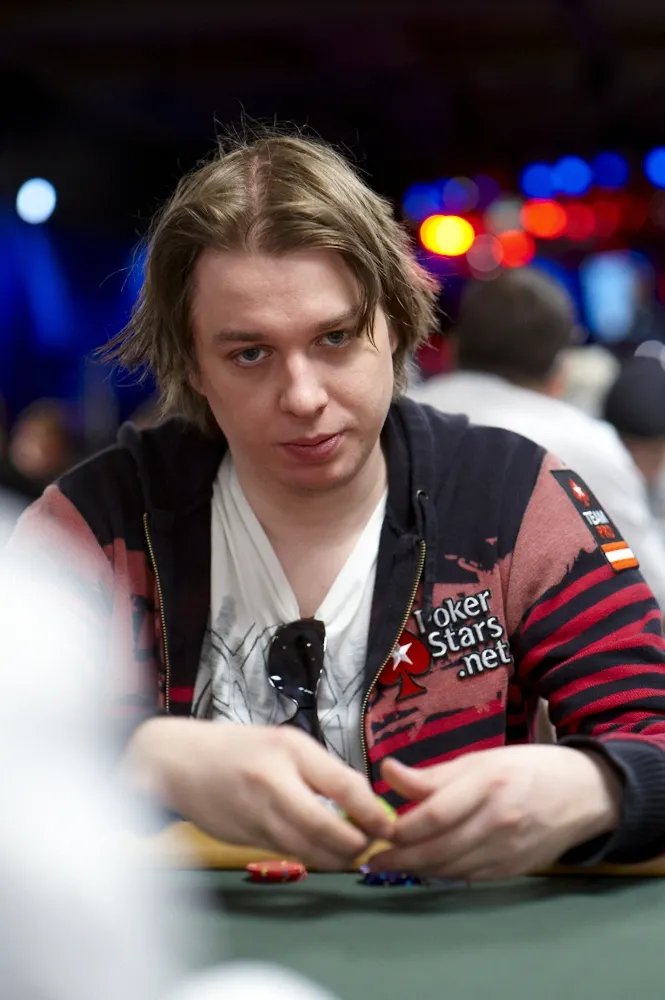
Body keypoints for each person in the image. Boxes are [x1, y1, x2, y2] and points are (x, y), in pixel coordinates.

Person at [9, 132, 665, 883]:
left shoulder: (510, 498)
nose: (303, 396)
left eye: (335, 337)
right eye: (249, 353)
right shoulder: (92, 527)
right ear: (190, 365)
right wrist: (144, 759)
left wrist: (599, 786)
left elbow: (650, 725)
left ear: (396, 322)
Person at [410, 268, 665, 612]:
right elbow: (649, 594)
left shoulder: (398, 421)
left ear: (452, 347)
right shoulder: (587, 446)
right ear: (560, 369)